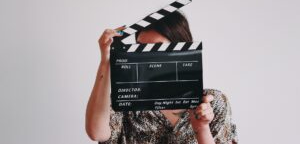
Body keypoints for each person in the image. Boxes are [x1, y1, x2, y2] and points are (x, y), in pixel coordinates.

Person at [85, 11, 238, 144]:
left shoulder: (212, 103)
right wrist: (106, 60)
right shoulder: (126, 99)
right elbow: (96, 132)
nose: (146, 58)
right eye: (140, 48)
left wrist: (202, 128)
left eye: (157, 48)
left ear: (181, 50)